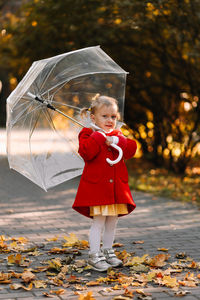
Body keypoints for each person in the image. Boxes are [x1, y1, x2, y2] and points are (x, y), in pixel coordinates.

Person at [72, 94, 137, 272]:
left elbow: (131, 149)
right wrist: (99, 137)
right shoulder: (88, 134)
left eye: (113, 117)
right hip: (98, 188)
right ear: (93, 117)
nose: (110, 120)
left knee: (112, 222)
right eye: (105, 116)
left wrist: (116, 140)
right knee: (99, 221)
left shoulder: (117, 134)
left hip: (116, 189)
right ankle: (94, 254)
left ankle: (108, 251)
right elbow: (86, 153)